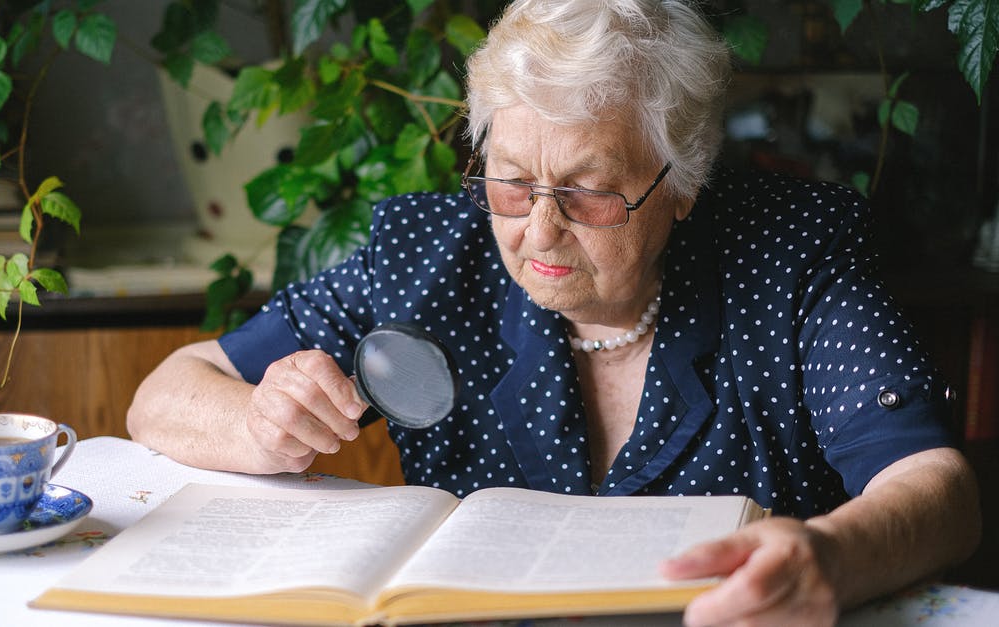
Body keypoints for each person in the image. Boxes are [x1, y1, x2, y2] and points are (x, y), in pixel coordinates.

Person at [127, 0, 981, 624]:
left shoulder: (790, 254)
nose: (539, 227)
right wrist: (260, 420)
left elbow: (934, 488)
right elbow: (166, 392)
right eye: (511, 178)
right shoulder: (428, 256)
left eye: (589, 191)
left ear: (679, 183)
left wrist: (832, 554)